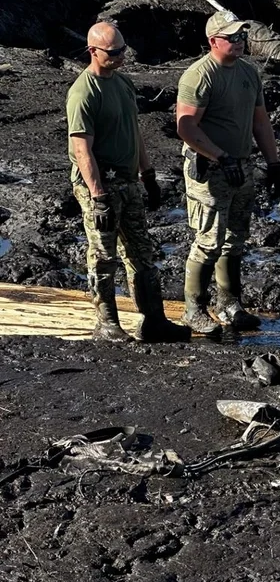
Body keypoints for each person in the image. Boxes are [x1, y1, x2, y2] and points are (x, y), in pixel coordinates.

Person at [66, 22, 191, 343]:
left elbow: (134, 133)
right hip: (99, 185)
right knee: (103, 254)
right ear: (93, 51)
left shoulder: (122, 84)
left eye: (123, 49)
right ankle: (106, 323)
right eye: (114, 52)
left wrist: (148, 174)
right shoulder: (84, 92)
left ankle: (154, 320)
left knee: (142, 252)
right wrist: (98, 196)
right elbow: (82, 148)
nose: (122, 56)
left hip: (127, 180)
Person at [176, 11, 280, 336]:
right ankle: (193, 309)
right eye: (231, 37)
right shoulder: (199, 76)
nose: (239, 42)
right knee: (208, 240)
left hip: (242, 165)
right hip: (210, 169)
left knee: (236, 237)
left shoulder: (249, 74)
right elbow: (185, 127)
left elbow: (260, 122)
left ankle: (230, 303)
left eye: (241, 37)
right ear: (214, 41)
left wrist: (274, 163)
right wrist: (220, 157)